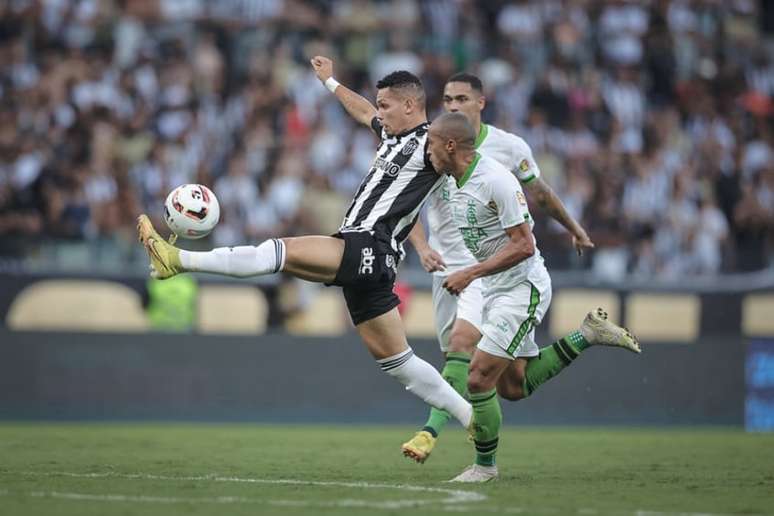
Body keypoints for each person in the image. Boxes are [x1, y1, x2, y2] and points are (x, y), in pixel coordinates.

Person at [136, 57, 473, 432]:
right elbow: (362, 111)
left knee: (280, 252)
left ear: (410, 105)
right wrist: (330, 82)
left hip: (369, 245)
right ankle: (474, 419)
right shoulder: (393, 136)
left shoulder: (430, 141)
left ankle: (178, 259)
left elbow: (461, 158)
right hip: (376, 261)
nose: (379, 112)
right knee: (401, 365)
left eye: (386, 105)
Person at [424, 112, 639, 482]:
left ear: (450, 146)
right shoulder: (451, 181)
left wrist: (469, 273)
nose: (427, 152)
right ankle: (587, 334)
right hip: (495, 288)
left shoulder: (496, 180)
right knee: (514, 386)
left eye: (431, 144)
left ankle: (484, 467)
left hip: (522, 289)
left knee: (478, 378)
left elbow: (524, 245)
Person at [401, 73, 597, 464]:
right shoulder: (434, 146)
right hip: (446, 272)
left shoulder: (508, 150)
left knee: (463, 350)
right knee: (513, 384)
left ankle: (431, 432)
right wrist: (422, 248)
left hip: (488, 271)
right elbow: (407, 208)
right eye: (447, 98)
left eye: (460, 98)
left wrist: (573, 227)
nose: (453, 105)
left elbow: (540, 193)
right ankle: (585, 336)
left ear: (481, 102)